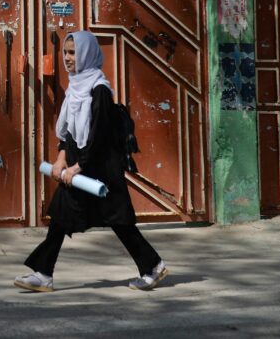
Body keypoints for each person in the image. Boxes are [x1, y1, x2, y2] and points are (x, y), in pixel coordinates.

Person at [14, 30, 168, 293]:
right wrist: (62, 158)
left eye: (73, 53)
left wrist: (77, 167)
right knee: (61, 216)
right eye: (65, 52)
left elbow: (98, 136)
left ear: (87, 54)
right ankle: (43, 274)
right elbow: (70, 131)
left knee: (120, 222)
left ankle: (153, 266)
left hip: (101, 169)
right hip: (79, 166)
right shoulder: (76, 86)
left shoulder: (99, 91)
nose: (67, 58)